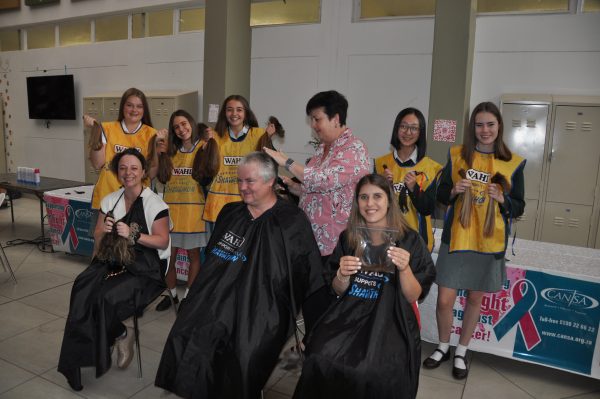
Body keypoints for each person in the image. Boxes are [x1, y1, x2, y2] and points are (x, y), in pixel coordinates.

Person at [155, 152, 324, 398]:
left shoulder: (292, 222)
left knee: (244, 350)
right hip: (217, 298)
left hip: (263, 310)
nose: (242, 188)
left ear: (270, 182)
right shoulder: (230, 213)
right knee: (188, 332)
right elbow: (213, 263)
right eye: (240, 181)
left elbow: (308, 276)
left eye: (250, 182)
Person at [293, 174, 436, 399]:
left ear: (389, 200)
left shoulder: (410, 241)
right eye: (364, 197)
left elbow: (413, 296)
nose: (370, 204)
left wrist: (405, 268)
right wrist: (341, 274)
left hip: (390, 319)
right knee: (319, 355)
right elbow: (338, 290)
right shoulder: (349, 238)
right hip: (349, 314)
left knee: (371, 370)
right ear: (357, 203)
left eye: (377, 196)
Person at [423, 102, 526, 379]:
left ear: (499, 126)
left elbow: (519, 206)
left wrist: (503, 199)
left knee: (474, 299)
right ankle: (443, 345)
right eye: (479, 124)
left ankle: (461, 350)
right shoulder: (457, 156)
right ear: (473, 128)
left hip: (488, 243)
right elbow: (441, 195)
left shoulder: (512, 162)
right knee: (445, 300)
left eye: (490, 124)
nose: (485, 130)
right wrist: (453, 190)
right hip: (457, 239)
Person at [57, 148, 171, 391]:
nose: (128, 173)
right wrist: (104, 231)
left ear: (142, 173)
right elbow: (98, 239)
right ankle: (77, 361)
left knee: (103, 298)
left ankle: (119, 334)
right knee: (81, 290)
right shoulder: (110, 200)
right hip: (112, 259)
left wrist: (134, 234)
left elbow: (162, 241)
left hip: (146, 267)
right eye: (123, 168)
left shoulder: (154, 203)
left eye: (133, 168)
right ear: (117, 172)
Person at [264, 90, 370, 331]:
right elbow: (316, 191)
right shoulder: (324, 151)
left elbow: (324, 180)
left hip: (335, 246)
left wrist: (287, 162)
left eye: (317, 119)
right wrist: (292, 186)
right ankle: (312, 346)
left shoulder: (353, 149)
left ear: (336, 118)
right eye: (311, 119)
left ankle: (322, 353)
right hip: (313, 243)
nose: (313, 125)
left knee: (330, 310)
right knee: (313, 306)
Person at [154, 110, 213, 311]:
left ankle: (188, 297)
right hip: (171, 214)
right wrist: (160, 152)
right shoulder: (170, 151)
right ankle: (171, 297)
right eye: (176, 127)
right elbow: (161, 178)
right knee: (169, 259)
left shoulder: (203, 148)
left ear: (191, 123)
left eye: (184, 123)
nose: (181, 129)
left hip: (194, 214)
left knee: (193, 257)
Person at [375, 107, 442, 252]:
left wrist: (414, 189)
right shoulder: (380, 164)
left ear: (420, 132)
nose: (408, 132)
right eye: (403, 126)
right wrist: (381, 186)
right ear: (396, 129)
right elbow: (372, 207)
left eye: (414, 128)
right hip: (385, 241)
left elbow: (428, 209)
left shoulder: (431, 168)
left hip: (417, 244)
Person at [202, 95, 276, 223]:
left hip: (249, 204)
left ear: (246, 113)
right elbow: (205, 170)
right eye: (229, 109)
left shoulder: (259, 134)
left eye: (239, 110)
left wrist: (267, 139)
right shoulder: (215, 136)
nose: (234, 113)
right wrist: (205, 148)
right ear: (224, 113)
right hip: (218, 205)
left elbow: (269, 168)